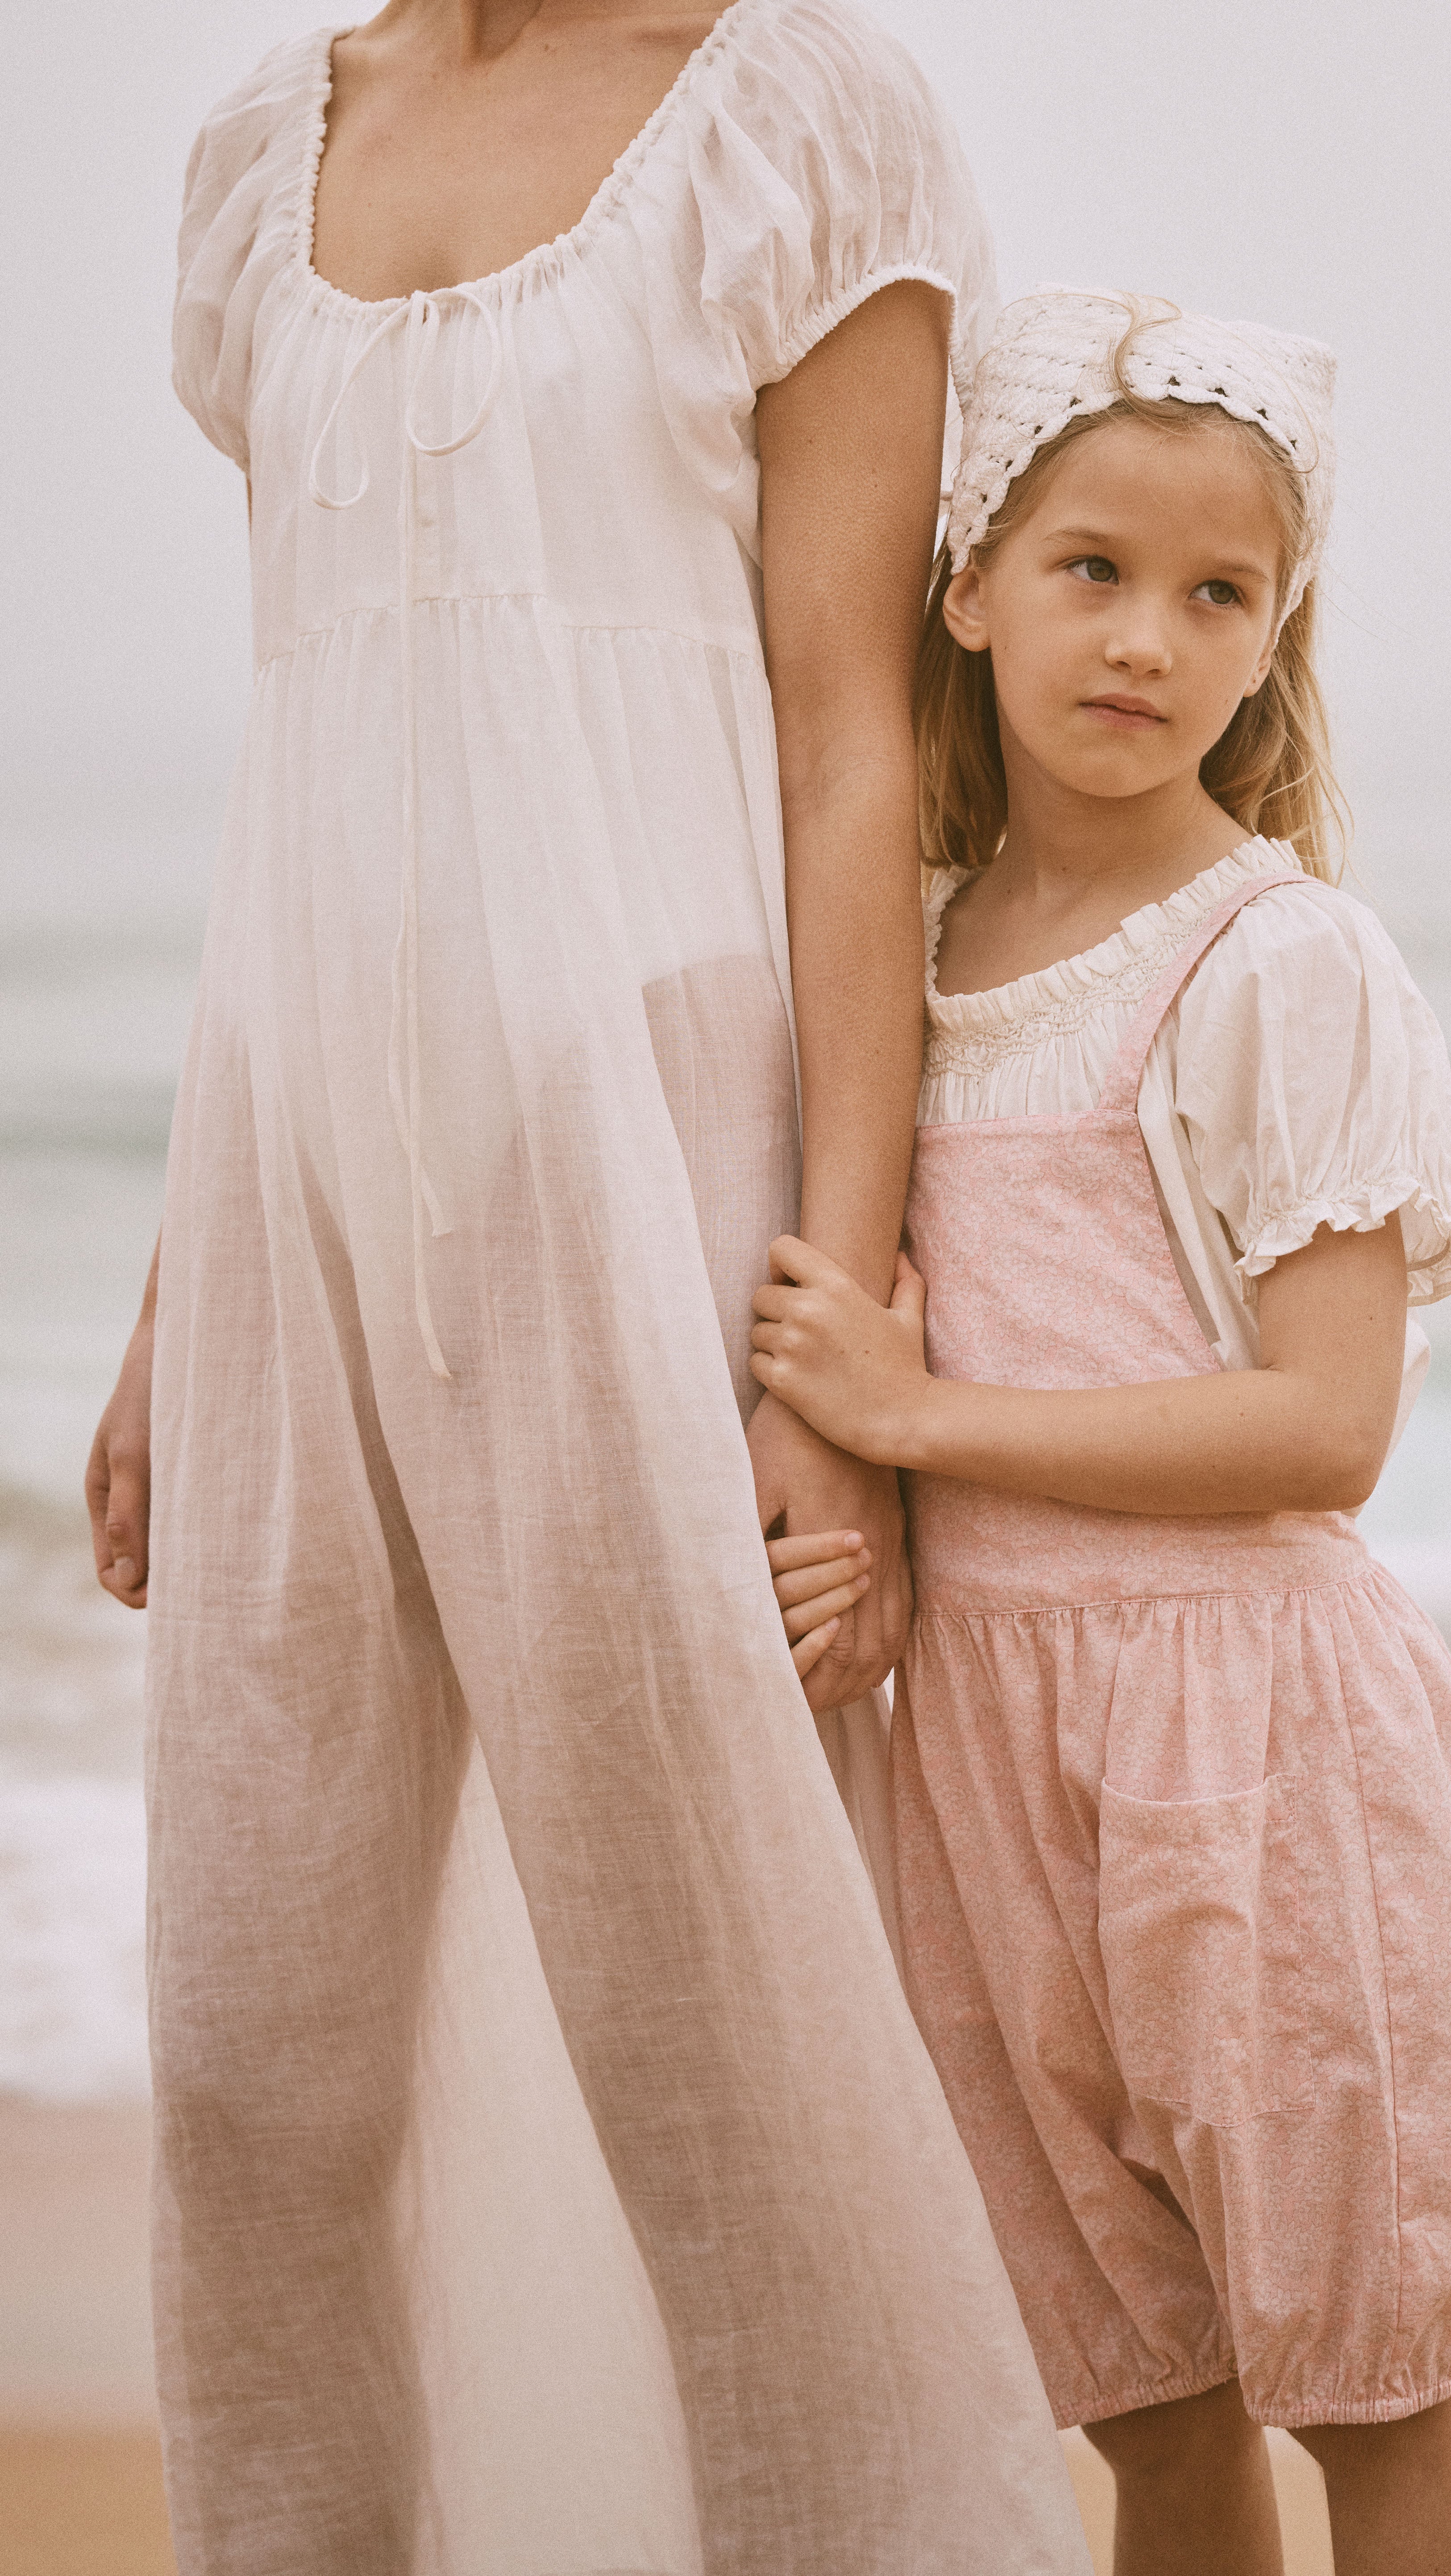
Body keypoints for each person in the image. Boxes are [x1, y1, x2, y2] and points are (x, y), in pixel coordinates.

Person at [82, 7, 1092, 2571]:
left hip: (653, 1166)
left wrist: (833, 1341)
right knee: (251, 2056)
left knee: (712, 2034)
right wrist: (180, 1282)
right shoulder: (255, 157)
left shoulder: (795, 121)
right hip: (296, 1167)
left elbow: (846, 732)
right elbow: (323, 749)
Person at [754, 290, 1451, 2576]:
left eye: (1222, 594)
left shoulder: (1278, 962)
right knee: (1152, 2405)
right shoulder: (898, 959)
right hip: (992, 1760)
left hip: (1258, 1758)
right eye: (1093, 567)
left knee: (1367, 2392)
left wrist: (924, 1411)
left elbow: (1325, 1427)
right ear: (967, 585)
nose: (1150, 637)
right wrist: (879, 1516)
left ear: (1276, 638)